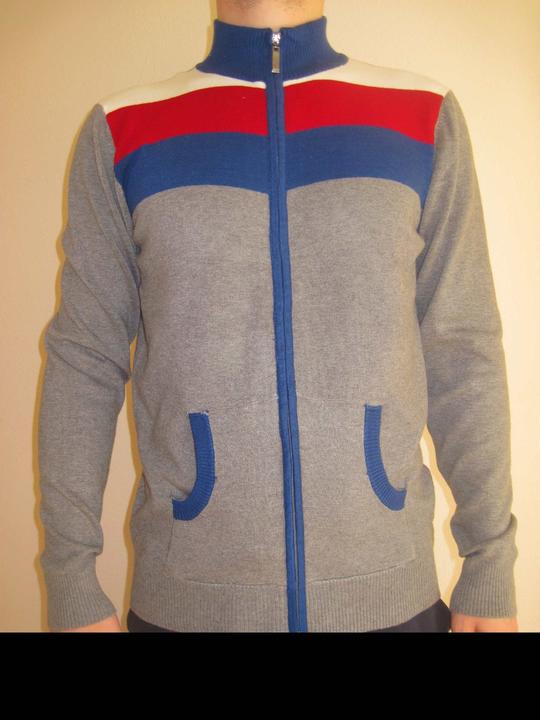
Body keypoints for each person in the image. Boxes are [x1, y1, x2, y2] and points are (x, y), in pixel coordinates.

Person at [38, 0, 519, 633]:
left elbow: (463, 348)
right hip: (188, 607)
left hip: (391, 600)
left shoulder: (420, 116)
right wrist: (71, 581)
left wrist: (489, 563)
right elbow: (85, 360)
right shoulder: (126, 128)